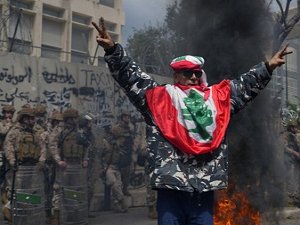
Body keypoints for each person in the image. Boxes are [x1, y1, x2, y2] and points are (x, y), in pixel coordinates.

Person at [92, 19, 292, 225]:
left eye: (197, 73)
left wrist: (267, 67)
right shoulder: (159, 99)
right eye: (188, 73)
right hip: (171, 190)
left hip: (203, 191)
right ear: (176, 75)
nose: (194, 77)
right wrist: (113, 50)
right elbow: (131, 76)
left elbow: (243, 86)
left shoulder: (217, 100)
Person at [3, 104, 46, 225]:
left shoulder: (35, 133)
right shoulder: (15, 132)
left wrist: (42, 161)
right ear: (24, 118)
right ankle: (12, 219)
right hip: (19, 168)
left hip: (32, 169)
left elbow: (42, 147)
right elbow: (8, 147)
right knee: (16, 193)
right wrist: (12, 161)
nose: (33, 121)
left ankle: (27, 218)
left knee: (30, 193)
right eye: (30, 118)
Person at [100, 124, 128, 213]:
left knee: (118, 185)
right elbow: (100, 155)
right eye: (122, 138)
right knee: (114, 184)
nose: (124, 140)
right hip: (108, 167)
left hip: (117, 168)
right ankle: (121, 200)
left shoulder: (120, 146)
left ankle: (117, 205)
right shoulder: (107, 144)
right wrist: (102, 168)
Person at [113, 111, 134, 196]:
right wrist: (118, 150)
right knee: (119, 175)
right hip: (120, 155)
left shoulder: (130, 128)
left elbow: (132, 140)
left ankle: (125, 189)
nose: (127, 119)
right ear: (122, 118)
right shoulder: (116, 129)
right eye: (126, 117)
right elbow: (110, 140)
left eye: (128, 117)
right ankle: (119, 192)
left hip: (128, 154)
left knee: (127, 174)